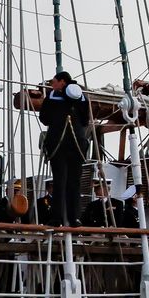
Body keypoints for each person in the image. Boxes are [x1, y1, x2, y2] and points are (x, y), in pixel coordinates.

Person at [38, 71, 93, 227]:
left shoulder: (52, 97)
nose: (52, 85)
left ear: (62, 82)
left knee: (60, 180)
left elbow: (45, 119)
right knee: (74, 182)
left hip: (58, 143)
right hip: (77, 142)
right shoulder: (81, 97)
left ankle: (57, 217)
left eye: (54, 81)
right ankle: (74, 217)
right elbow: (84, 120)